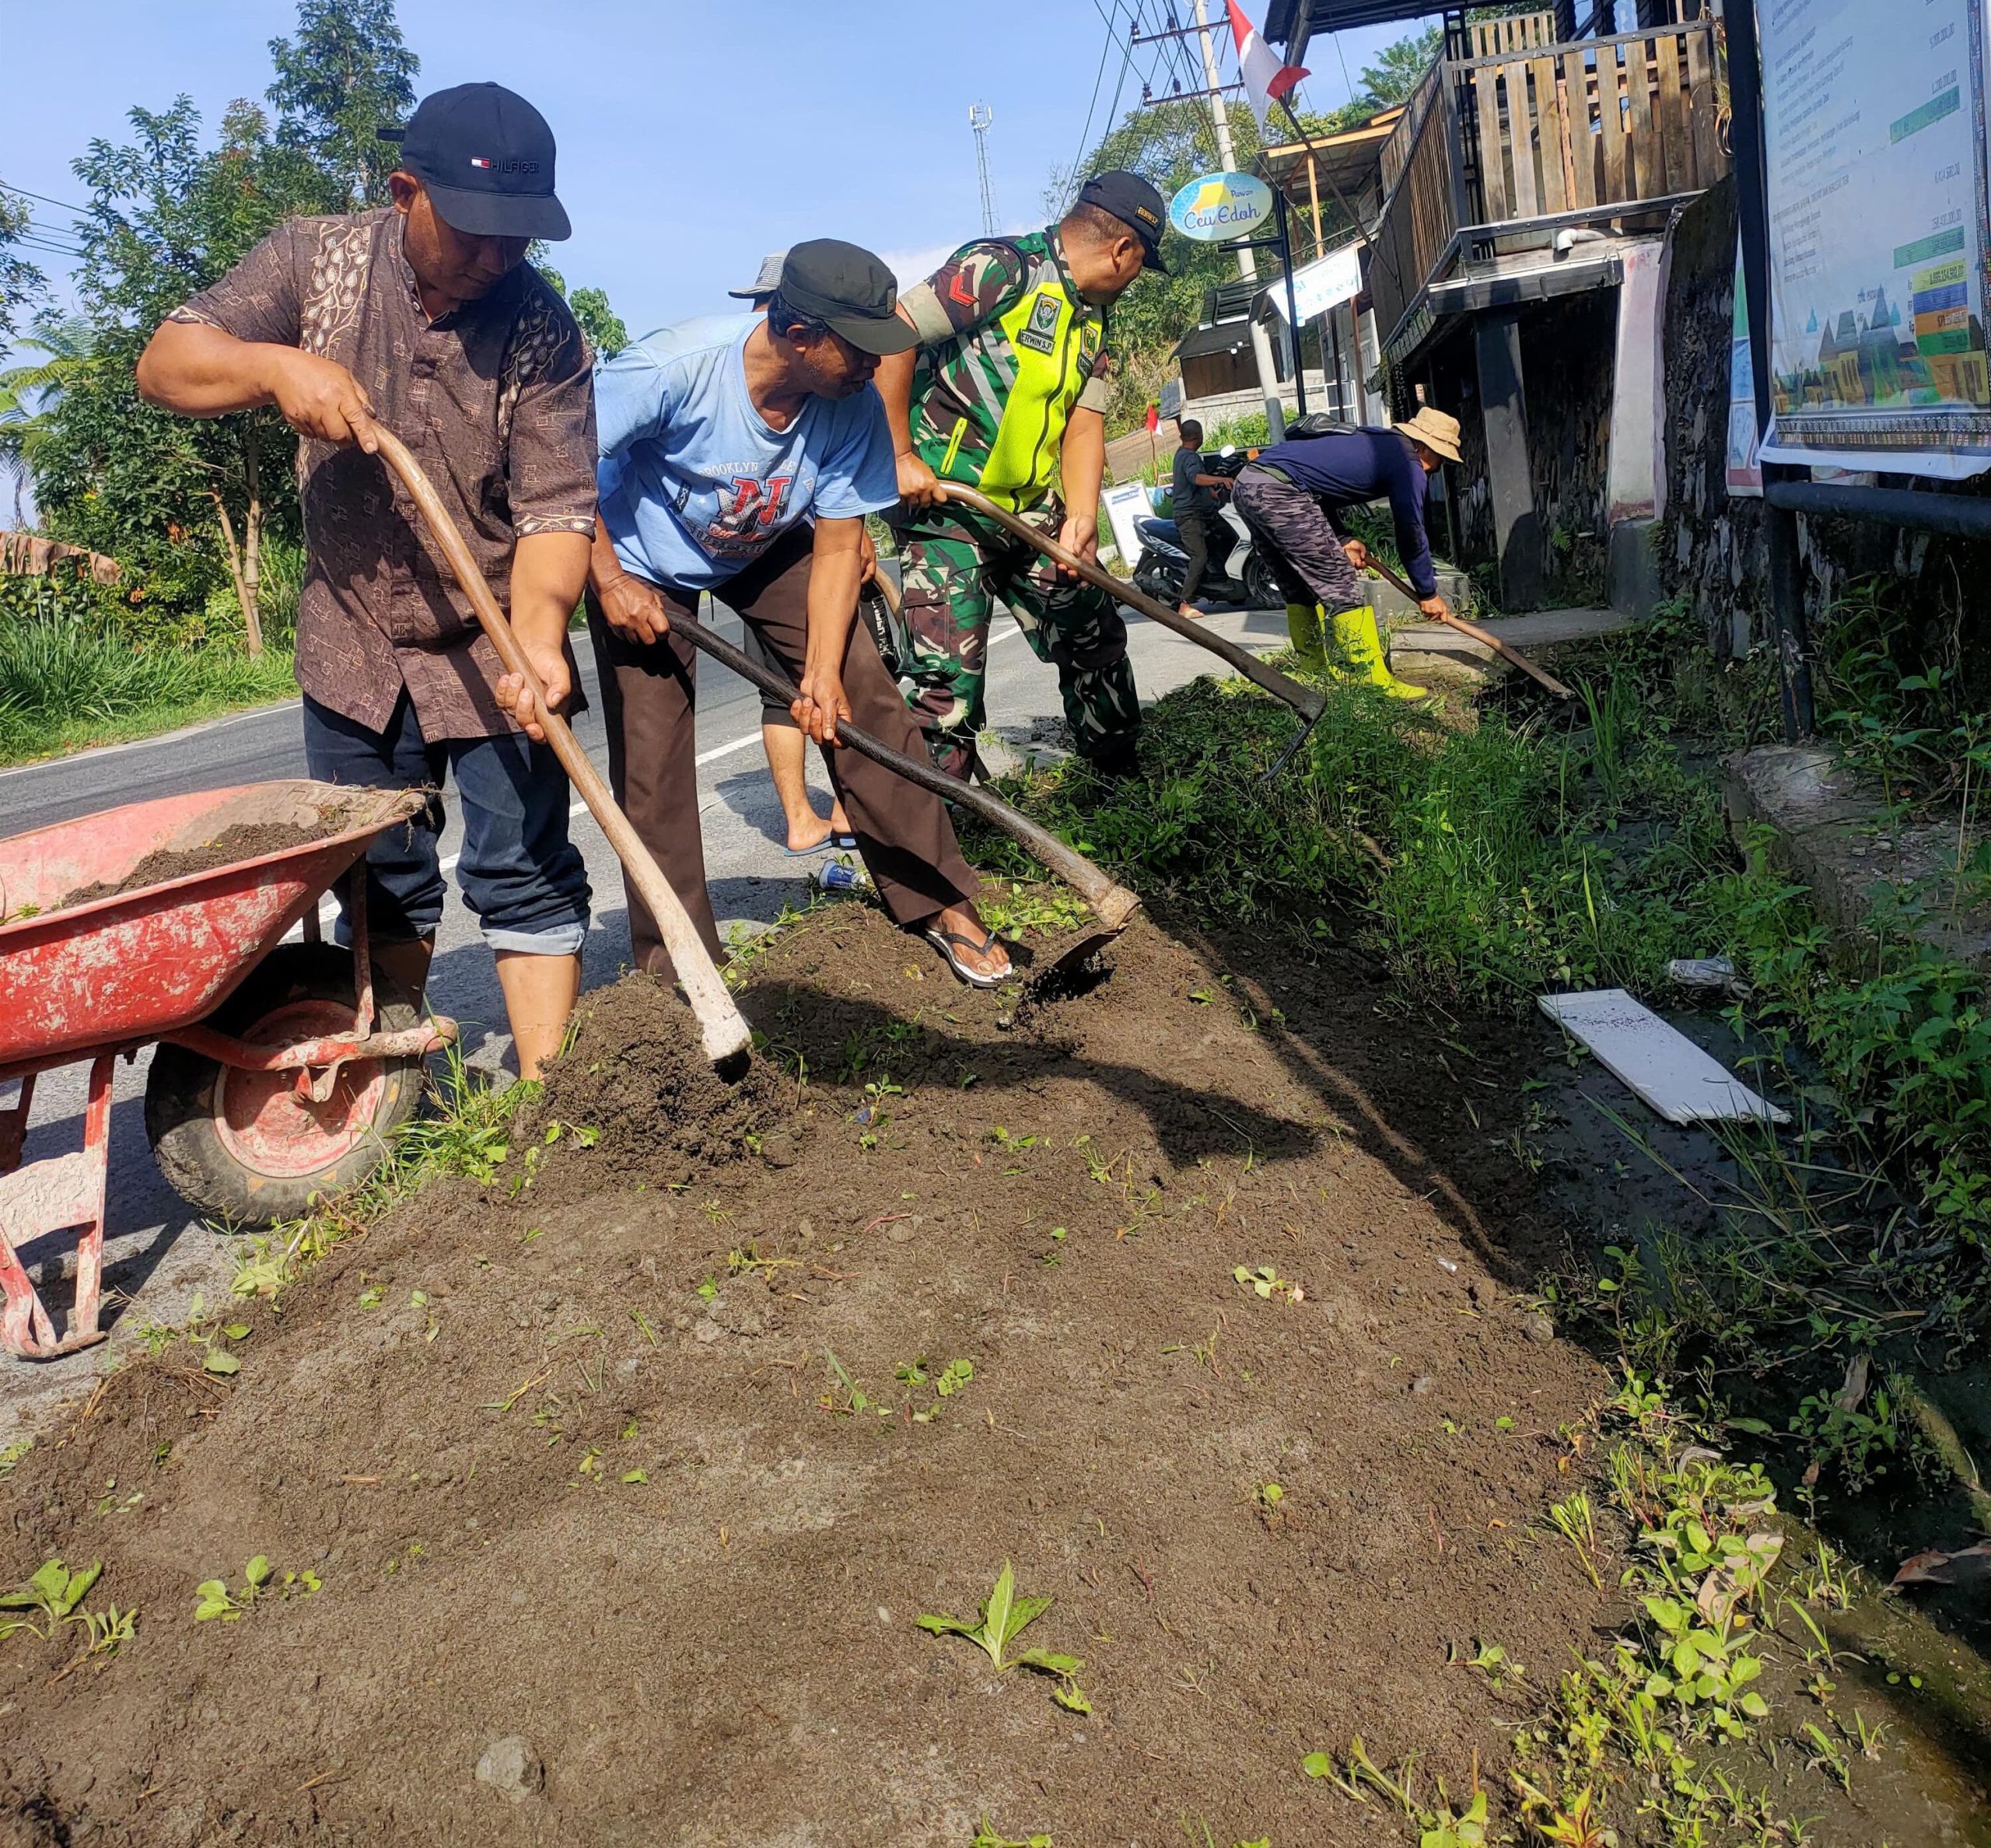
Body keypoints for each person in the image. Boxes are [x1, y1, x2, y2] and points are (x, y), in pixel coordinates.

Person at [135, 82, 597, 1080]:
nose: (496, 259)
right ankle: (392, 1093)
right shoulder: (318, 259)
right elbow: (166, 363)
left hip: (491, 643)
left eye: (519, 239)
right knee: (380, 878)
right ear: (403, 191)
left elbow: (557, 511)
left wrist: (544, 638)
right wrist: (268, 367)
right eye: (475, 233)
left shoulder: (544, 331)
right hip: (350, 647)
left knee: (523, 868)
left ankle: (552, 1112)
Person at [587, 240, 1012, 989]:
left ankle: (941, 899)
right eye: (859, 349)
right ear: (799, 333)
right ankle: (680, 968)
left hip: (767, 543)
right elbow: (556, 470)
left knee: (863, 696)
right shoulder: (670, 370)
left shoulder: (850, 405)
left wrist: (818, 673)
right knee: (651, 762)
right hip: (639, 558)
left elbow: (841, 541)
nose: (873, 367)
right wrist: (610, 577)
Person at [874, 171, 1167, 779]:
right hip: (947, 509)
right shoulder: (1002, 269)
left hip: (1028, 509)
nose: (1137, 279)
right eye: (1142, 264)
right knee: (945, 684)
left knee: (1095, 632)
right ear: (1123, 249)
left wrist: (1082, 519)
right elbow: (893, 337)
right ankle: (939, 839)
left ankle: (1120, 788)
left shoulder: (1092, 322)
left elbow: (1085, 423)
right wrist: (900, 454)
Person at [730, 249, 857, 856]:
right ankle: (809, 816)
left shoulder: (826, 379)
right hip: (770, 552)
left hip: (810, 544)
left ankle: (830, 813)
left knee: (823, 681)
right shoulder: (743, 366)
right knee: (794, 689)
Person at [1229, 408, 1464, 701]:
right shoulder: (1408, 463)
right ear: (1423, 446)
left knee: (1297, 582)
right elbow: (1411, 531)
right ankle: (1373, 678)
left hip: (1250, 483)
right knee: (1340, 581)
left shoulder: (1376, 442)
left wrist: (1343, 537)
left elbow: (1317, 485)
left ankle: (1313, 669)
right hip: (1279, 491)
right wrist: (1428, 592)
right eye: (1440, 458)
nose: (1437, 467)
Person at [1170, 417, 1237, 619]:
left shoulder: (1183, 454)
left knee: (1228, 537)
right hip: (1189, 516)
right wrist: (1221, 479)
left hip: (1202, 512)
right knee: (1199, 557)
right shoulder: (1189, 457)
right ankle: (1185, 604)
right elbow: (1195, 478)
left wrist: (1212, 491)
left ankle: (1225, 583)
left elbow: (1197, 482)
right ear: (1198, 436)